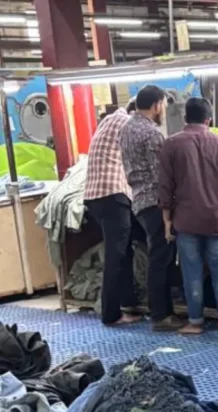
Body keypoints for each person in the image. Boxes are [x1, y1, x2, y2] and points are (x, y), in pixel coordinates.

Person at [157, 97, 218, 335]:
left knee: (191, 271)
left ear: (185, 119)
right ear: (209, 119)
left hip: (185, 219)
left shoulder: (171, 144)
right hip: (215, 218)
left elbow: (165, 186)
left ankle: (195, 321)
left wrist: (166, 219)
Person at [120, 85, 182, 332]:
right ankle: (161, 315)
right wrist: (170, 208)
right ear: (157, 105)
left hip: (138, 200)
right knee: (161, 258)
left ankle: (162, 311)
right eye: (163, 105)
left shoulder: (126, 128)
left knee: (158, 256)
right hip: (155, 202)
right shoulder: (152, 134)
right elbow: (161, 177)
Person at [84, 105, 140, 326]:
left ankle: (128, 303)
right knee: (116, 255)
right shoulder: (128, 123)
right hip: (112, 195)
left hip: (96, 197)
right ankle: (111, 314)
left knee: (123, 250)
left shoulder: (109, 120)